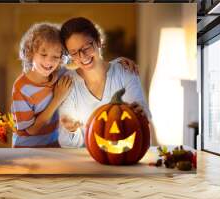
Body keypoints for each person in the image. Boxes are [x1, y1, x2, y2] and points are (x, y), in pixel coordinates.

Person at [58, 17, 152, 148]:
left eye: (86, 47)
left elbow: (143, 119)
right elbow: (68, 144)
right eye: (74, 52)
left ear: (98, 41)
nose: (82, 56)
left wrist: (141, 113)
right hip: (87, 162)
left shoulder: (125, 71)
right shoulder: (69, 83)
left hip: (125, 152)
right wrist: (70, 129)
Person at [11, 22, 72, 147]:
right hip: (26, 149)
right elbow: (31, 130)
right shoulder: (21, 88)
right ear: (30, 53)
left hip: (53, 145)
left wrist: (117, 63)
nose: (49, 61)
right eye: (43, 54)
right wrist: (57, 99)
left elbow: (83, 71)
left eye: (55, 56)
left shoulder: (60, 74)